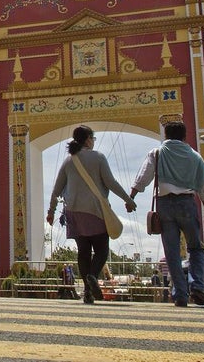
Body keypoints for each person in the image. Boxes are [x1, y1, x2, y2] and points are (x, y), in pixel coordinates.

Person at [46, 126, 137, 304]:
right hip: (95, 211)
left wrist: (51, 212)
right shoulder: (99, 157)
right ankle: (93, 277)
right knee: (102, 250)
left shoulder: (68, 161)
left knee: (83, 252)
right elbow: (111, 182)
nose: (94, 141)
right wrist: (128, 200)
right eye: (93, 138)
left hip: (74, 212)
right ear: (88, 139)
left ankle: (88, 292)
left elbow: (56, 190)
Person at [130, 120, 204, 308]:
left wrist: (132, 197)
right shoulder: (196, 158)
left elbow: (143, 177)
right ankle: (198, 287)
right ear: (184, 136)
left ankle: (180, 294)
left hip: (164, 205)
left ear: (166, 135)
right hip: (187, 203)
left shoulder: (157, 153)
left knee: (172, 252)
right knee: (196, 248)